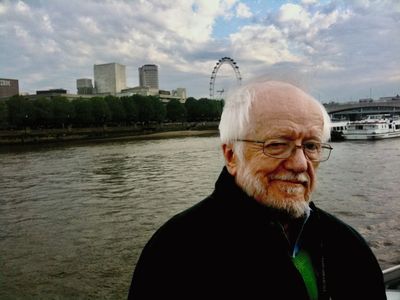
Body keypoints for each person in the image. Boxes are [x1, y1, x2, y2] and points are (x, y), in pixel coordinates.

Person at [128, 80, 386, 299]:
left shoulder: (348, 245)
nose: (299, 164)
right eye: (276, 144)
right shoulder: (175, 252)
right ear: (231, 156)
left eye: (311, 146)